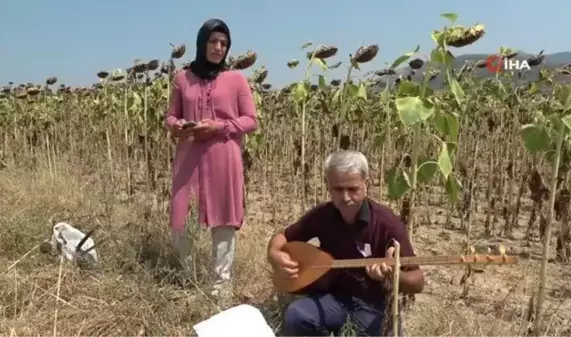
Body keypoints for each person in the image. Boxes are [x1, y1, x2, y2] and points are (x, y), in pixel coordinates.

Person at [267, 150, 424, 337]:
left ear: (367, 184)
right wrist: (274, 254)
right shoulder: (324, 215)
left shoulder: (386, 223)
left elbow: (418, 281)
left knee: (385, 333)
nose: (346, 197)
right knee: (297, 316)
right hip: (332, 299)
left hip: (372, 306)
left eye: (353, 189)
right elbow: (283, 237)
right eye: (338, 189)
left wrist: (392, 276)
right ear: (328, 186)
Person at [163, 18, 258, 299]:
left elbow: (251, 120)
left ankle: (221, 285)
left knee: (224, 219)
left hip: (223, 155)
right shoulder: (183, 78)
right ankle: (189, 279)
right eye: (213, 42)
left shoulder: (236, 80)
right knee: (182, 217)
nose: (218, 48)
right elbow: (170, 114)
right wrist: (176, 125)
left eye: (224, 43)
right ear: (202, 42)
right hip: (189, 153)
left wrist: (220, 127)